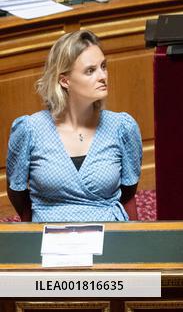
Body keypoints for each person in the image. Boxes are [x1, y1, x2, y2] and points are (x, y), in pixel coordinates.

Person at [6, 30, 142, 222]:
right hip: (51, 234)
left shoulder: (122, 127)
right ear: (65, 80)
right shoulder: (29, 129)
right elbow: (17, 193)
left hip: (107, 232)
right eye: (90, 70)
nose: (103, 76)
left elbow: (128, 192)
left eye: (104, 66)